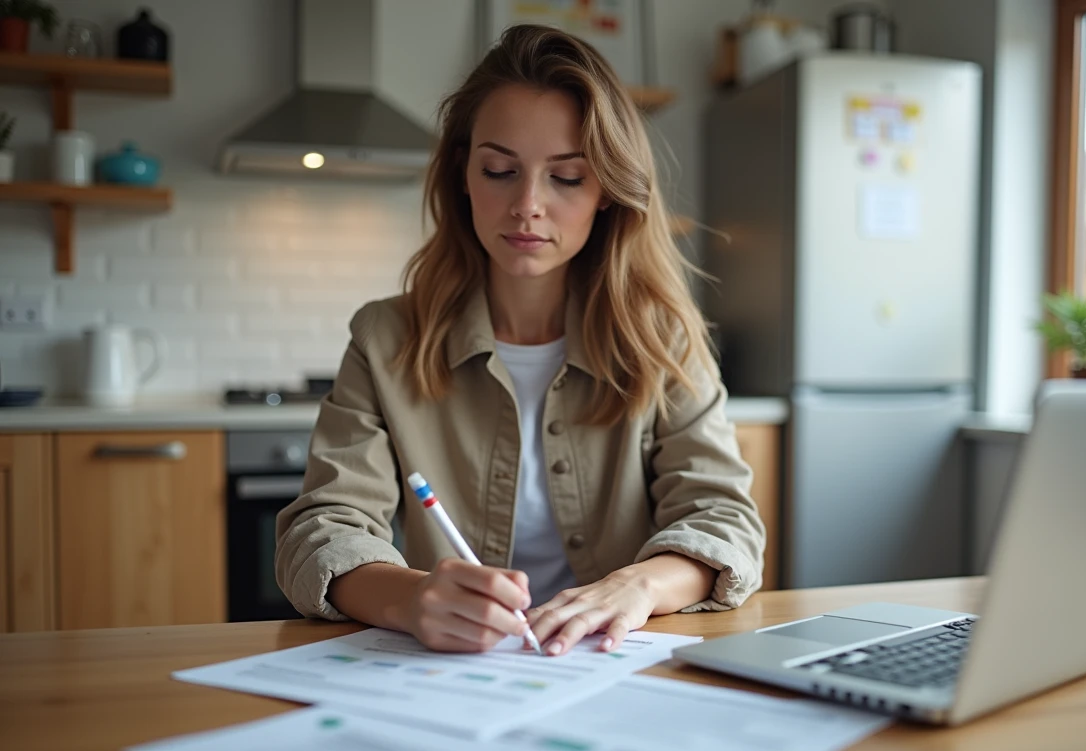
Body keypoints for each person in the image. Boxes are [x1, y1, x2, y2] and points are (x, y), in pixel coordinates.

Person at [276, 24, 765, 657]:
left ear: (608, 195)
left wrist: (637, 586)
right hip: (449, 672)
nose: (527, 204)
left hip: (617, 664)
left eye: (566, 177)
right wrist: (411, 598)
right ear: (464, 175)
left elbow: (724, 521)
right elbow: (321, 529)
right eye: (501, 170)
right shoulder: (385, 338)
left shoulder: (662, 339)